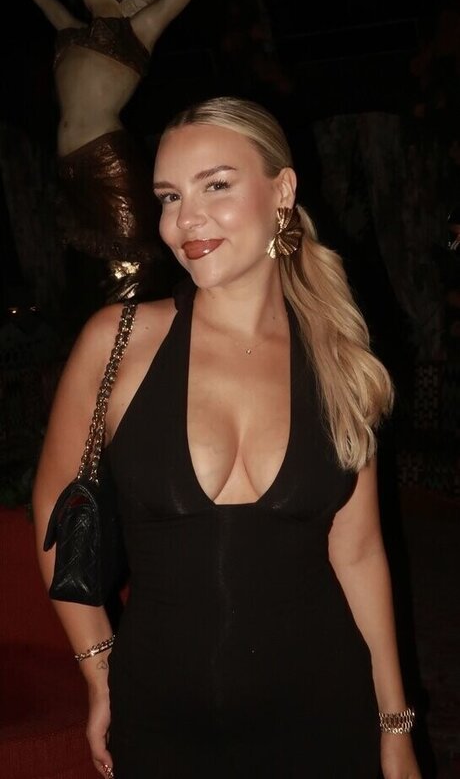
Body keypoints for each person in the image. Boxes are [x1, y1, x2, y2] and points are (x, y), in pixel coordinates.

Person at [32, 96, 422, 779]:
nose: (185, 220)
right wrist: (98, 669)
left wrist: (394, 726)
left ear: (283, 191)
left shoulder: (338, 355)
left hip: (323, 715)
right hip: (159, 720)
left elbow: (359, 552)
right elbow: (54, 507)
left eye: (216, 185)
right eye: (170, 196)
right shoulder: (119, 342)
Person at [0, 0, 300, 303]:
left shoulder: (136, 32)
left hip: (106, 158)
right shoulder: (71, 33)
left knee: (131, 262)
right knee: (92, 260)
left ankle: (139, 329)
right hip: (70, 165)